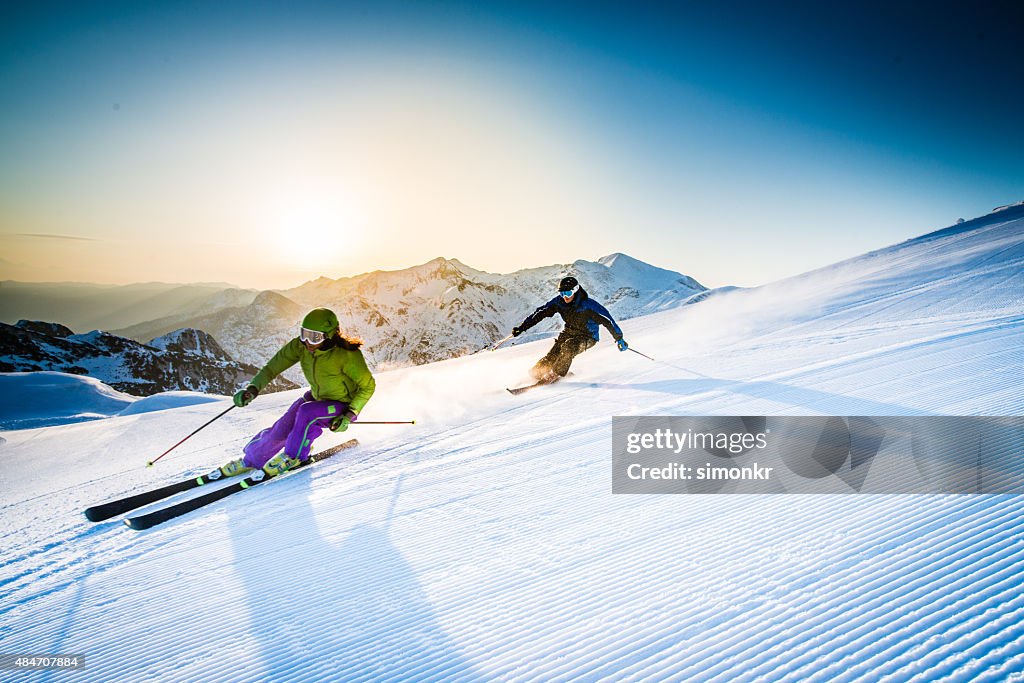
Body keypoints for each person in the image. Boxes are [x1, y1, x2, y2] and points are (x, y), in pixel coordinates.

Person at [214, 308, 375, 479]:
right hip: (318, 398)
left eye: (314, 337)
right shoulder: (300, 346)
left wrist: (349, 414)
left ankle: (295, 456)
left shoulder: (347, 355)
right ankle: (252, 459)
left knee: (307, 412)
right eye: (304, 334)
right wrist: (253, 389)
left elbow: (368, 386)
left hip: (343, 405)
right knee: (282, 428)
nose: (308, 342)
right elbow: (272, 368)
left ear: (330, 335)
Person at [511, 276, 628, 383]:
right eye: (562, 293)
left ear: (575, 290)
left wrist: (619, 338)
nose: (565, 297)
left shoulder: (588, 305)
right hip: (568, 333)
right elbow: (540, 313)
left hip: (588, 337)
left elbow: (608, 321)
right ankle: (537, 373)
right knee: (552, 355)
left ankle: (554, 374)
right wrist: (522, 328)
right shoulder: (559, 302)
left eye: (568, 293)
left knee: (568, 347)